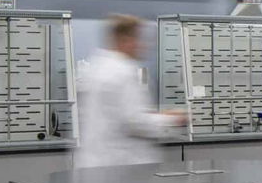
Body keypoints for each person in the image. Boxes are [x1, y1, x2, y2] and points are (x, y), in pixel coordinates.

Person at [74, 14, 185, 168]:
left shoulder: (96, 66)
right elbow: (135, 121)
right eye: (139, 39)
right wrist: (173, 119)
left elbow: (116, 113)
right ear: (125, 39)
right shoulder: (123, 71)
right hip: (121, 165)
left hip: (95, 162)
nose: (144, 46)